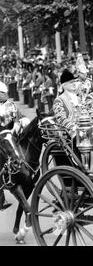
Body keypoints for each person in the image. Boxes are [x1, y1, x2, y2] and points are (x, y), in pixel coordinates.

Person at [0, 81, 30, 210]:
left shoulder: (11, 105)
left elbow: (19, 116)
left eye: (5, 92)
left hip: (11, 134)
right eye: (2, 93)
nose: (5, 94)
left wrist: (23, 120)